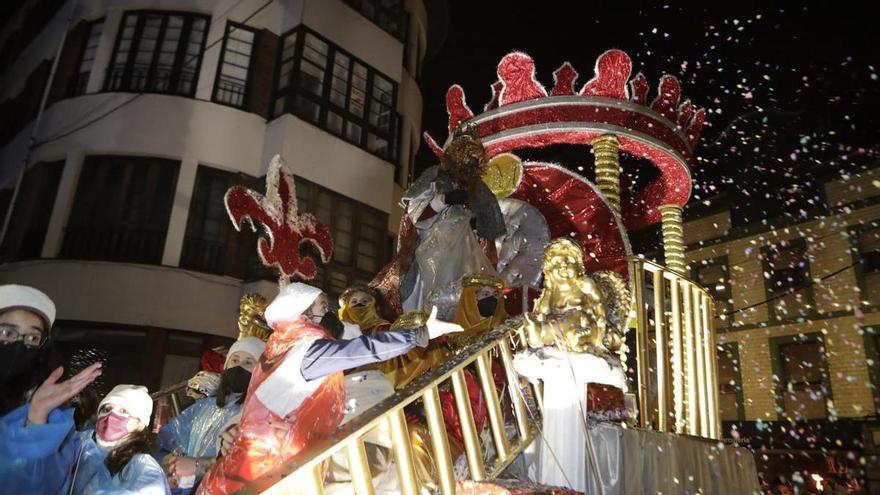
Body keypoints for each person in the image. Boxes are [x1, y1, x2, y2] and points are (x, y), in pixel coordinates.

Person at [198, 282, 463, 494]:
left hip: (260, 459)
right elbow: (365, 349)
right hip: (269, 462)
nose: (331, 314)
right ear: (304, 315)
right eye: (324, 307)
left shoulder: (278, 347)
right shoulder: (308, 351)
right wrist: (419, 334)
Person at [0, 363, 171, 494]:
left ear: (140, 424)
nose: (111, 416)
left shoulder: (143, 469)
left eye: (124, 411)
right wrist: (37, 416)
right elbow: (29, 478)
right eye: (106, 409)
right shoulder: (76, 447)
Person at [158, 337, 265, 493]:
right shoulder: (205, 406)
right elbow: (168, 440)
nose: (239, 366)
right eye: (235, 360)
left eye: (249, 362)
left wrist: (198, 465)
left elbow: (247, 463)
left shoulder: (257, 412)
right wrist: (171, 464)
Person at [338, 285, 448, 389]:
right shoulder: (339, 335)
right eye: (354, 302)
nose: (359, 305)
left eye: (364, 301)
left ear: (373, 305)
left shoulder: (382, 327)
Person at [0, 284, 56, 415]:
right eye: (7, 333)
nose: (19, 345)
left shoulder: (37, 396)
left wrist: (36, 416)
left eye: (32, 338)